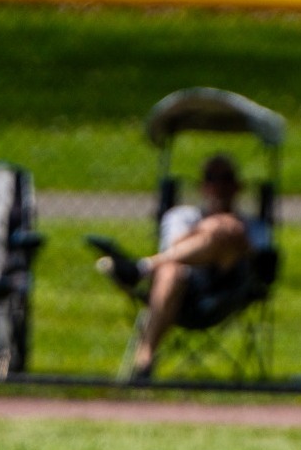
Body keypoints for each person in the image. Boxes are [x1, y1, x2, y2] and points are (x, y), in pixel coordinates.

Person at [89, 154, 254, 380]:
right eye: (211, 178)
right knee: (170, 270)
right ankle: (144, 360)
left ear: (238, 185)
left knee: (227, 228)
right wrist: (205, 229)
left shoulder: (253, 223)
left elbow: (255, 257)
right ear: (202, 186)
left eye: (226, 178)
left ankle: (140, 268)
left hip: (226, 286)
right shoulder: (182, 215)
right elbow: (172, 254)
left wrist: (216, 227)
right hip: (183, 291)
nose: (219, 185)